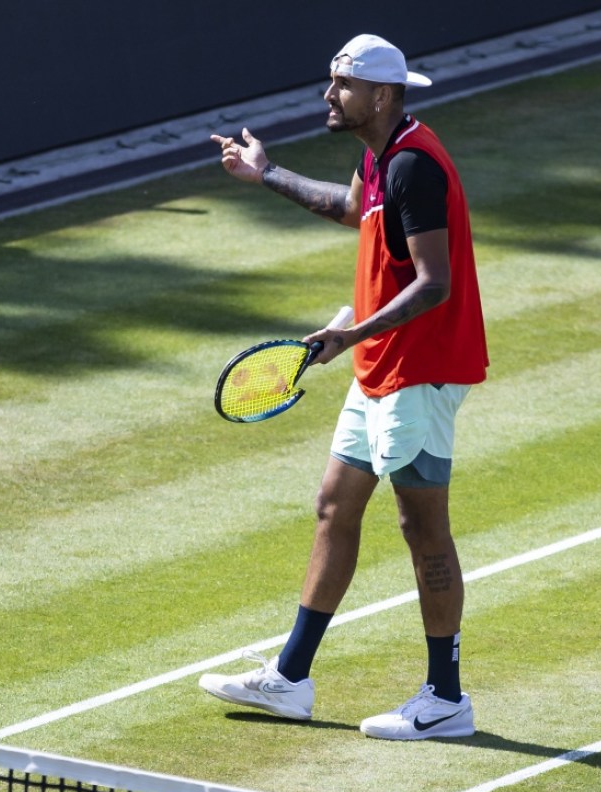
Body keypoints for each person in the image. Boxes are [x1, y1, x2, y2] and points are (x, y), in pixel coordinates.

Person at [198, 34, 488, 741]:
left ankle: (445, 697)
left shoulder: (415, 166)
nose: (329, 96)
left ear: (381, 95)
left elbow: (433, 284)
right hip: (380, 364)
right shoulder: (381, 156)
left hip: (418, 372)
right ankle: (290, 680)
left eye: (342, 85)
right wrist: (266, 174)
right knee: (335, 506)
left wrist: (351, 335)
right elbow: (348, 207)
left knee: (421, 528)